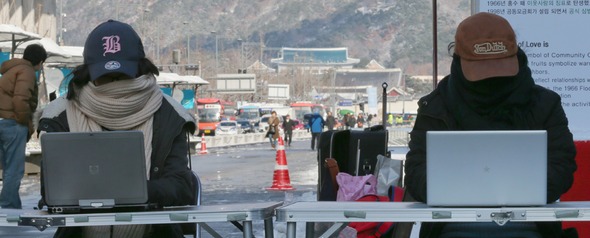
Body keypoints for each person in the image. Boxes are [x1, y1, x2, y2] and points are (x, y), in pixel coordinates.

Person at [404, 13, 577, 238]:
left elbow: (562, 167)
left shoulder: (545, 104)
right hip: (451, 227)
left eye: (499, 70)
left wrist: (474, 188)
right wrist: (499, 188)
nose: (492, 82)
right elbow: (416, 173)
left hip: (531, 226)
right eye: (483, 72)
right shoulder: (435, 108)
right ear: (458, 61)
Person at [37, 20, 196, 237]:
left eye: (122, 76)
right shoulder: (59, 114)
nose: (115, 84)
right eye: (105, 77)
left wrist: (131, 192)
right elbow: (50, 191)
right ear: (88, 75)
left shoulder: (170, 115)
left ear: (141, 71)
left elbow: (182, 186)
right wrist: (121, 191)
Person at [0, 44, 47, 209]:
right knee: (14, 168)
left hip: (3, 120)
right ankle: (8, 205)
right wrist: (24, 122)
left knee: (7, 167)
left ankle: (10, 202)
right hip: (13, 122)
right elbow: (20, 100)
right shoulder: (27, 72)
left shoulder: (11, 69)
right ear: (39, 62)